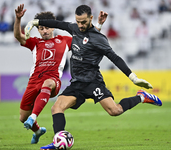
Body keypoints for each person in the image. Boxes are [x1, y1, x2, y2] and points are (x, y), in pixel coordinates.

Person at [24, 5, 163, 150]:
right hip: (76, 83)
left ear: (90, 18)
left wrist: (134, 78)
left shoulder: (99, 39)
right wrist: (34, 23)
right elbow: (57, 24)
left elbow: (115, 58)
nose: (80, 25)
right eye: (78, 21)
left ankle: (141, 96)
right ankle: (58, 141)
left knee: (114, 111)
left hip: (93, 82)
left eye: (83, 22)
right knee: (56, 108)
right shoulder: (75, 29)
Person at [14, 4, 107, 145]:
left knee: (48, 83)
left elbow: (86, 41)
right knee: (22, 117)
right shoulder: (35, 43)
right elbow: (17, 36)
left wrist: (99, 24)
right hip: (34, 81)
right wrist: (18, 19)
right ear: (38, 30)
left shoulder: (64, 40)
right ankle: (38, 130)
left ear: (52, 27)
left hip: (53, 81)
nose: (44, 31)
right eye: (41, 28)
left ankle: (34, 116)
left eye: (47, 27)